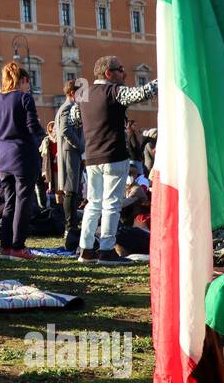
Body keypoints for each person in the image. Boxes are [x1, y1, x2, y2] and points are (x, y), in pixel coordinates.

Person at [75, 54, 158, 265]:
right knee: (112, 204)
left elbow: (75, 117)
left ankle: (85, 250)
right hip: (113, 155)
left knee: (93, 203)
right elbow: (141, 93)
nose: (124, 73)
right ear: (108, 73)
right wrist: (165, 78)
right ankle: (106, 250)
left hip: (92, 157)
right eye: (121, 69)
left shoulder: (84, 93)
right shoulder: (114, 91)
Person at [0, 62, 43, 259]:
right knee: (23, 202)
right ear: (23, 80)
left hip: (3, 157)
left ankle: (5, 247)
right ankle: (18, 247)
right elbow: (32, 126)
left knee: (9, 202)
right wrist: (41, 138)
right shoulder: (25, 98)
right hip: (23, 155)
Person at [54, 79, 85, 254]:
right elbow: (65, 130)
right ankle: (70, 225)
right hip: (69, 151)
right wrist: (80, 145)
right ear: (72, 93)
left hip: (70, 151)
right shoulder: (67, 108)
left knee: (72, 191)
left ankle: (71, 224)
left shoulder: (67, 107)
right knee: (70, 190)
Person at [38, 120, 59, 208]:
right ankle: (55, 207)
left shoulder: (61, 139)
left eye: (54, 129)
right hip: (51, 167)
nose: (52, 131)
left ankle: (60, 207)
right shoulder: (46, 140)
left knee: (60, 189)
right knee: (53, 188)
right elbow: (42, 152)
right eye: (50, 129)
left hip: (59, 166)